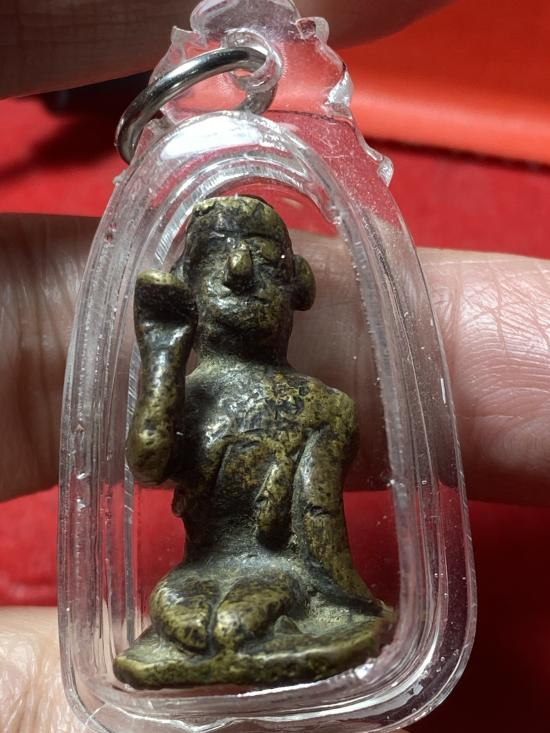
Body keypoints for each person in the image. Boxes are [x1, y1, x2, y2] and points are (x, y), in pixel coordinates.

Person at [0, 0, 548, 730]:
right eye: (216, 264)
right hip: (200, 574)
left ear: (298, 287)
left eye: (260, 261)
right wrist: (161, 356)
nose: (236, 274)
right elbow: (151, 461)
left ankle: (250, 631)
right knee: (180, 607)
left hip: (284, 578)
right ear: (188, 289)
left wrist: (319, 592)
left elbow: (316, 547)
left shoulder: (323, 407)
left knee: (249, 611)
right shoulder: (193, 393)